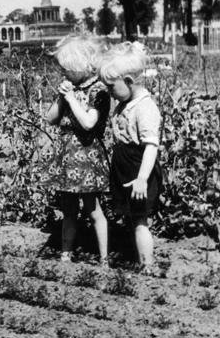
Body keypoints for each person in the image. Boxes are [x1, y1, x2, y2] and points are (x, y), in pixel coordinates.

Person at [45, 34, 111, 266]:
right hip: (68, 157)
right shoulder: (69, 89)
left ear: (82, 66)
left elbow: (88, 123)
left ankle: (104, 257)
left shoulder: (99, 91)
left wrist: (71, 99)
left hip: (86, 156)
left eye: (67, 69)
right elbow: (50, 118)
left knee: (93, 209)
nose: (63, 73)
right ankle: (66, 252)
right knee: (69, 209)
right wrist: (61, 98)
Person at [98, 41, 163, 274]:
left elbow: (151, 146)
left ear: (128, 82)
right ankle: (135, 257)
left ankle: (147, 265)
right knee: (131, 219)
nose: (109, 92)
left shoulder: (145, 108)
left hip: (138, 172)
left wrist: (142, 178)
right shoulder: (126, 102)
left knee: (139, 221)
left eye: (111, 87)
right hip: (126, 170)